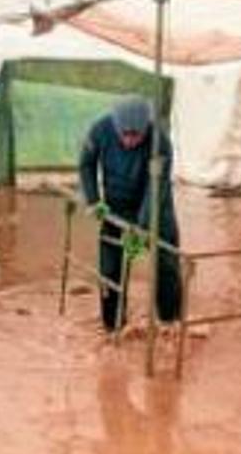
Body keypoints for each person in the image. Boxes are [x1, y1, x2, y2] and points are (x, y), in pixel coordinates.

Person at [78, 95, 181, 332]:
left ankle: (169, 321)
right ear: (115, 127)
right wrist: (93, 201)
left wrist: (141, 228)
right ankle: (112, 326)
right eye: (125, 134)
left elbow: (156, 189)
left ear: (146, 128)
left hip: (155, 207)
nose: (129, 140)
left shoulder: (160, 142)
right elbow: (86, 164)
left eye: (136, 135)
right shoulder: (99, 130)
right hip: (115, 206)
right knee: (110, 269)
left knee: (166, 263)